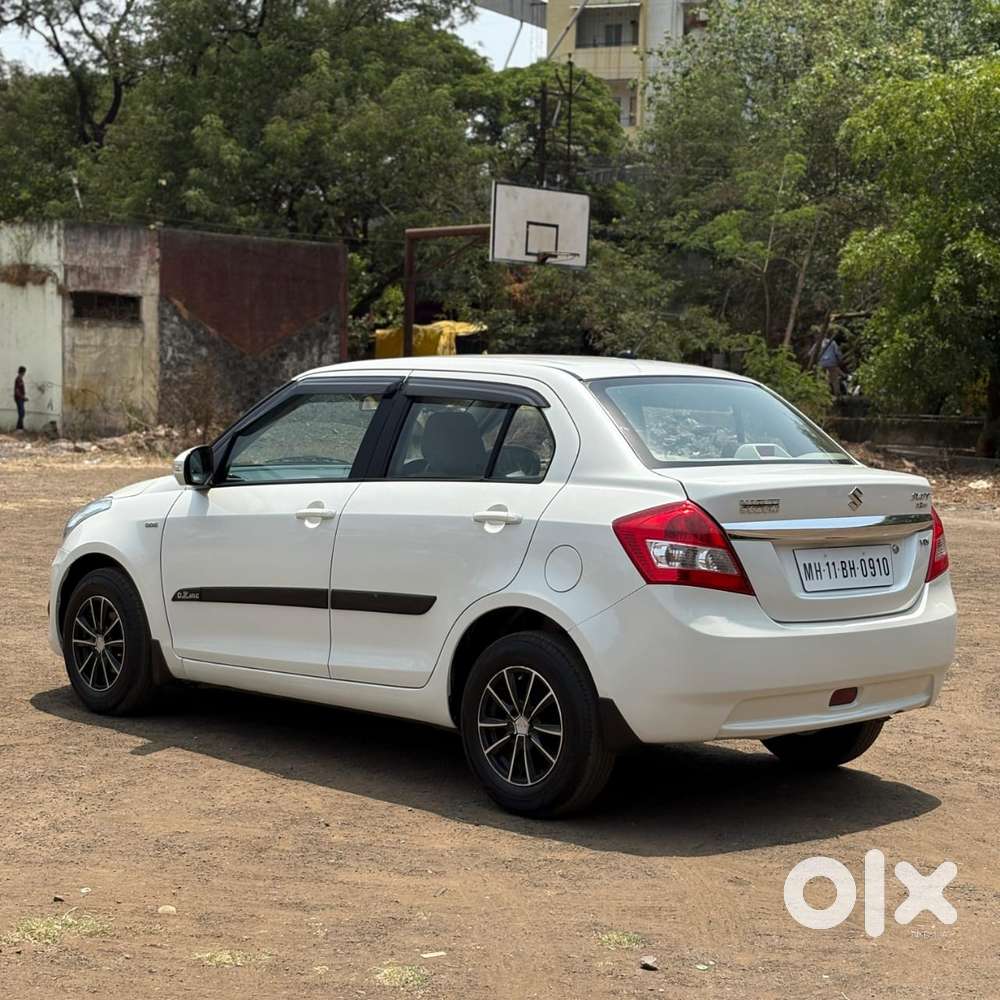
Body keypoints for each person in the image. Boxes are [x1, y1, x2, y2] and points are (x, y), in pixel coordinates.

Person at [14, 365, 27, 431]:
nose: (25, 373)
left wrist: (24, 397)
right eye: (24, 372)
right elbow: (17, 391)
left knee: (21, 413)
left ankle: (21, 428)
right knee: (21, 413)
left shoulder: (20, 379)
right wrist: (23, 397)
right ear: (22, 372)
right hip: (19, 398)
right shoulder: (18, 379)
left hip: (20, 398)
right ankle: (18, 428)